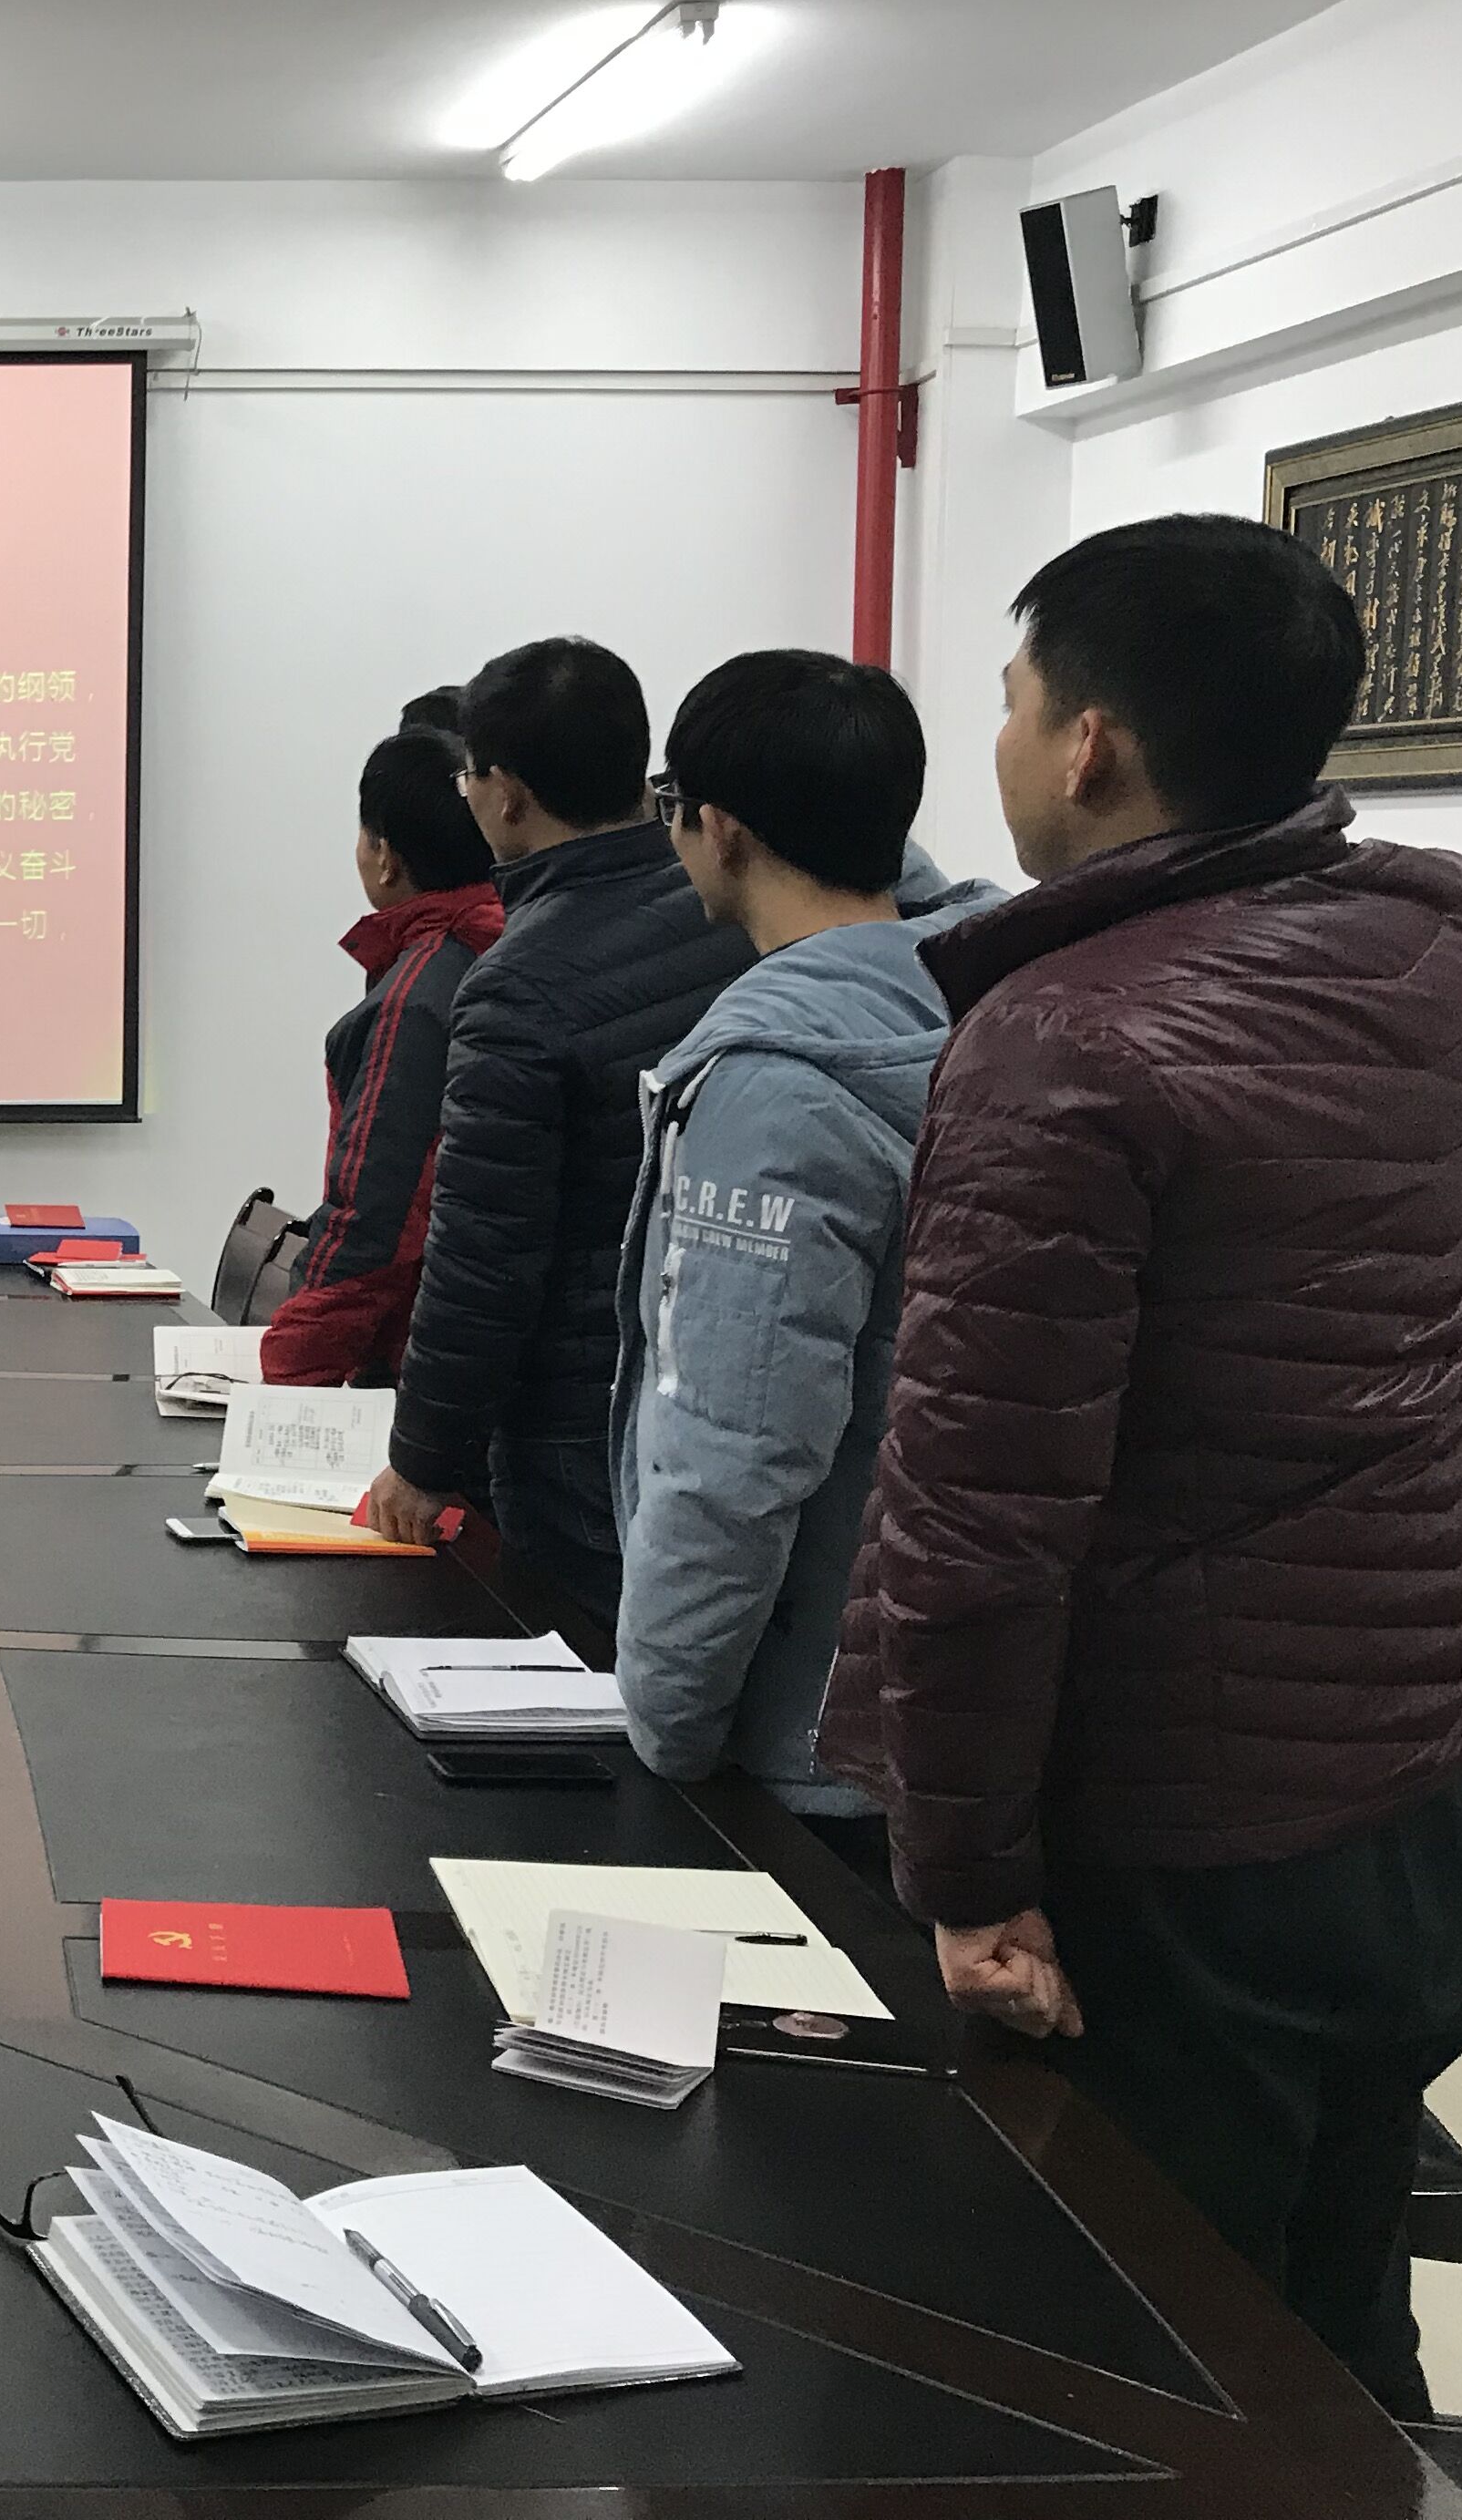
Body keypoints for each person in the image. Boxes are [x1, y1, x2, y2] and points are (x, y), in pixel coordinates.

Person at [819, 515, 1462, 2412]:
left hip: (1178, 1833)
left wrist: (965, 1869)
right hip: (1411, 1773)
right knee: (1340, 2310)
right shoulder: (1454, 942)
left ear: (1088, 745)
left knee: (1147, 2365)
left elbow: (977, 1516)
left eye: (1009, 699)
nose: (998, 738)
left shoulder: (1060, 1045)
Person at [607, 652, 998, 1846]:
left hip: (802, 1734)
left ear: (718, 829)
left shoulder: (777, 1086)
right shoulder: (985, 997)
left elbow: (735, 1453)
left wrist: (667, 1719)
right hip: (946, 1691)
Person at [358, 640, 752, 1604]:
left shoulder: (518, 986)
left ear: (506, 796)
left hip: (577, 1435)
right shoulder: (725, 915)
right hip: (713, 1395)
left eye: (470, 776)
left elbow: (484, 1253)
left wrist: (422, 1459)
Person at [260, 727, 505, 1384]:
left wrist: (289, 1378)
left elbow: (373, 1221)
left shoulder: (416, 998)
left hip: (416, 1364)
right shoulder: (505, 947)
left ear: (386, 857)